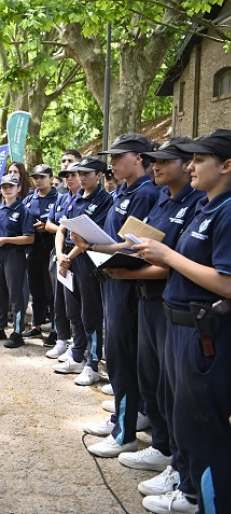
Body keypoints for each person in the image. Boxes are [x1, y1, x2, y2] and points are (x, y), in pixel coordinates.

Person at [133, 130, 231, 514]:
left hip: (203, 332)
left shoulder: (227, 211)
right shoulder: (208, 207)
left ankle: (206, 501)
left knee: (204, 423)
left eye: (199, 160)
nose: (190, 166)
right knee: (184, 417)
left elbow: (226, 282)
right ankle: (190, 488)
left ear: (226, 165)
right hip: (178, 325)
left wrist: (168, 256)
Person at [100, 139, 203, 501]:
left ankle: (179, 466)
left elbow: (171, 261)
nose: (157, 167)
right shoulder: (163, 198)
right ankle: (164, 447)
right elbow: (138, 244)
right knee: (154, 379)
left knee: (176, 390)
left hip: (172, 304)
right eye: (154, 161)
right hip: (150, 300)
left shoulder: (198, 205)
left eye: (166, 161)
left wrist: (129, 274)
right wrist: (99, 247)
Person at [82, 133, 159, 458]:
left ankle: (125, 431)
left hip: (128, 283)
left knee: (123, 356)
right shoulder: (125, 191)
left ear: (139, 158)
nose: (111, 162)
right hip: (112, 277)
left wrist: (94, 245)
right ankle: (125, 416)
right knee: (118, 355)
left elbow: (133, 246)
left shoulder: (145, 194)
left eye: (118, 156)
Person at [53, 158, 112, 386]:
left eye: (87, 173)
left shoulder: (104, 200)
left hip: (87, 261)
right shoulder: (74, 198)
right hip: (68, 260)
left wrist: (69, 257)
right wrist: (60, 254)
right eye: (80, 173)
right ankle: (77, 353)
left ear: (98, 175)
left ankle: (93, 363)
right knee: (73, 310)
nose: (82, 176)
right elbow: (62, 228)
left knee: (91, 314)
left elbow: (88, 235)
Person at [0, 174, 35, 348]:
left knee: (16, 294)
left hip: (14, 254)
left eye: (11, 186)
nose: (7, 189)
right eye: (4, 186)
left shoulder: (23, 210)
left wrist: (7, 240)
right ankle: (0, 326)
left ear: (18, 188)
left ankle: (18, 331)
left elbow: (29, 238)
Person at [44, 166, 80, 358]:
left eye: (73, 175)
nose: (69, 179)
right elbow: (57, 226)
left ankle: (77, 345)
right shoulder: (64, 198)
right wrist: (59, 254)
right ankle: (62, 339)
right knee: (59, 300)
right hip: (60, 254)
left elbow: (84, 236)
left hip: (77, 256)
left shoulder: (91, 199)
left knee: (75, 304)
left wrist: (67, 257)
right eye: (67, 176)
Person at [23, 164, 58, 345]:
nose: (38, 180)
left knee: (51, 291)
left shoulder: (59, 198)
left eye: (42, 177)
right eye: (35, 177)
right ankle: (36, 325)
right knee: (36, 289)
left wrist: (47, 227)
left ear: (51, 178)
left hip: (51, 247)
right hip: (33, 247)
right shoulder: (29, 199)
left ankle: (55, 328)